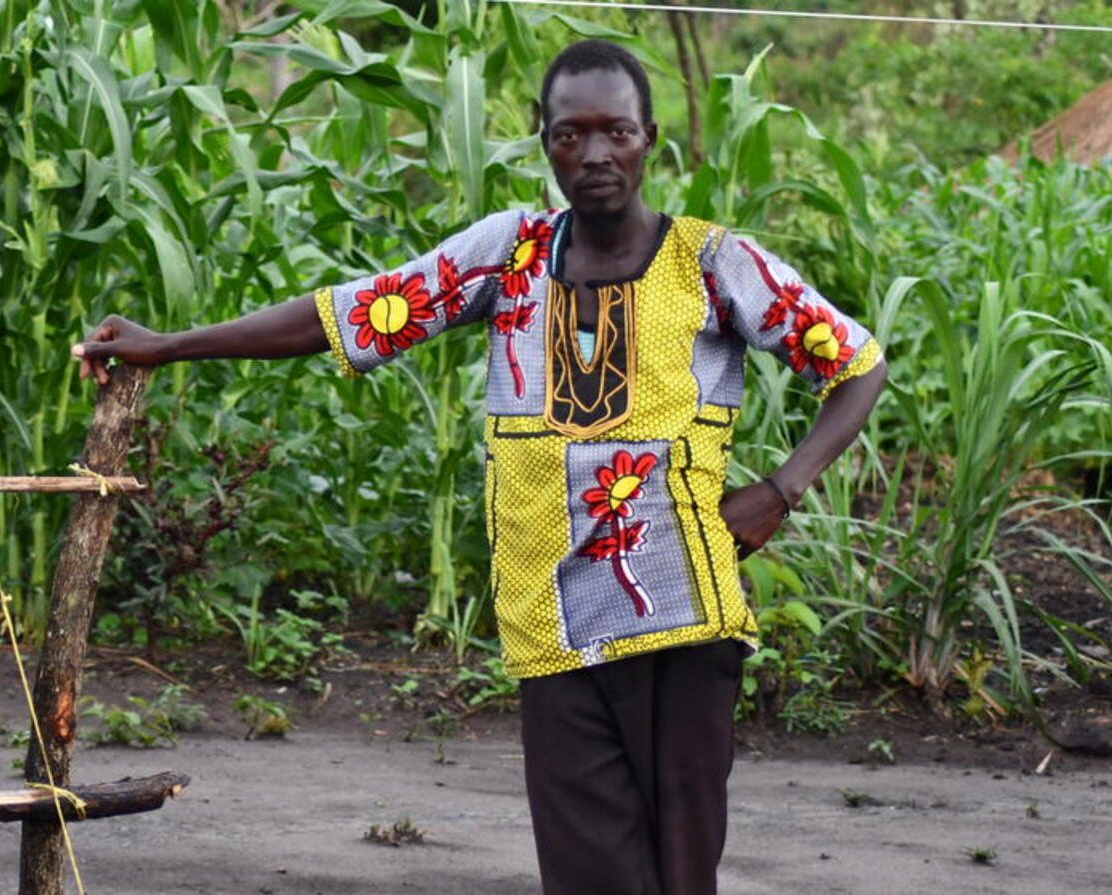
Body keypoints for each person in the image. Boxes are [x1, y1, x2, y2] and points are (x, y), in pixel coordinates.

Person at [73, 39, 887, 895]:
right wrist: (170, 346)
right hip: (550, 623)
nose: (595, 154)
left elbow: (857, 364)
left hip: (681, 617)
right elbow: (353, 313)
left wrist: (780, 490)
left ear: (650, 137)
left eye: (616, 131)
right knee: (589, 875)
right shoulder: (512, 254)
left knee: (681, 874)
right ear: (545, 142)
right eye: (571, 134)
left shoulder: (714, 264)